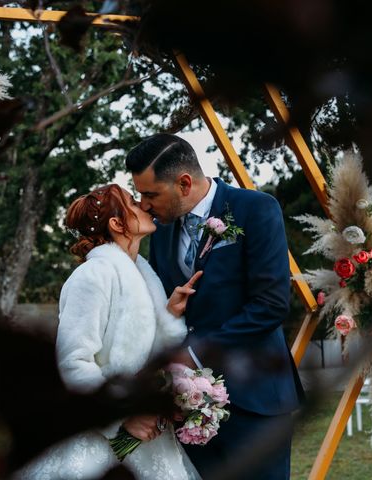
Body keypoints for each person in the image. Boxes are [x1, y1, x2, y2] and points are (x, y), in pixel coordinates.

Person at [126, 134, 304, 480]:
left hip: (256, 401)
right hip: (188, 409)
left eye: (150, 194)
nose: (144, 205)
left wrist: (193, 355)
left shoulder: (256, 209)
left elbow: (270, 304)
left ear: (184, 183)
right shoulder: (160, 232)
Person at [18, 184, 201, 480]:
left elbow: (138, 351)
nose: (144, 206)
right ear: (117, 224)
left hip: (151, 437)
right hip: (105, 437)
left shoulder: (143, 275)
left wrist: (168, 315)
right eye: (132, 202)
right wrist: (124, 417)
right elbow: (72, 362)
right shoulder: (92, 276)